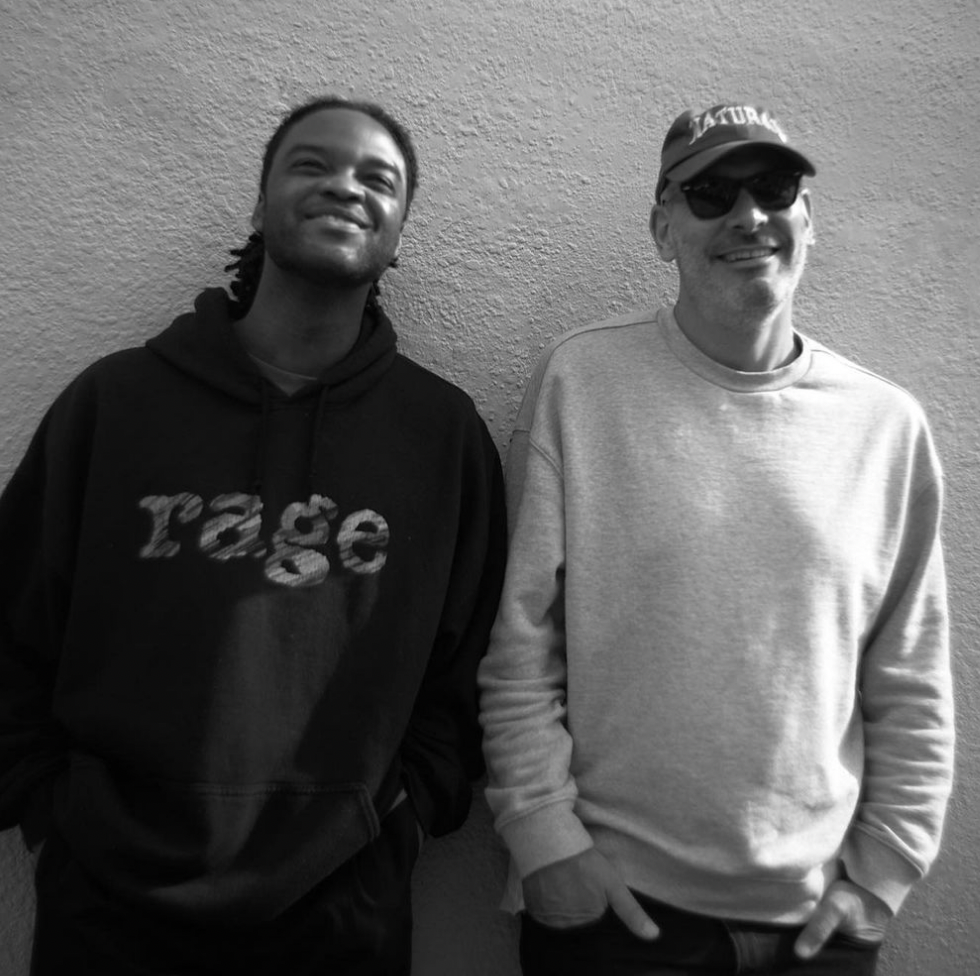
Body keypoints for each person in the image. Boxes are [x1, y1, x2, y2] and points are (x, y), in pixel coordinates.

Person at [0, 95, 506, 975]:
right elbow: (11, 619)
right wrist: (53, 810)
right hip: (108, 906)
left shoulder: (441, 435)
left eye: (377, 179)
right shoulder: (115, 403)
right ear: (260, 203)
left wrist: (404, 816)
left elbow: (469, 669)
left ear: (396, 235)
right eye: (310, 164)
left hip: (343, 908)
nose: (344, 187)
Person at [478, 102, 954, 976]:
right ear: (663, 228)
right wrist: (544, 841)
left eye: (775, 188)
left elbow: (912, 679)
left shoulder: (888, 428)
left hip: (819, 932)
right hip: (614, 924)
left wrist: (879, 878)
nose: (748, 216)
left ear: (810, 218)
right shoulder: (580, 384)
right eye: (710, 193)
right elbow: (518, 645)